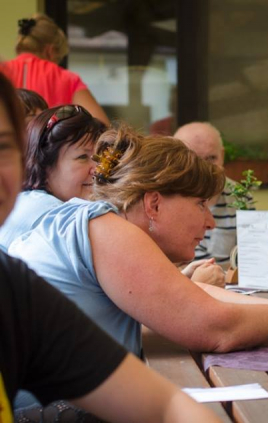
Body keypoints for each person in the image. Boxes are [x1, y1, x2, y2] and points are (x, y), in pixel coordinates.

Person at [8, 125, 268, 359]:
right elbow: (217, 328)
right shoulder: (108, 230)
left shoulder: (98, 223)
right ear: (154, 203)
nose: (210, 221)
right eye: (199, 205)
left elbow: (195, 299)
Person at [0, 70, 223, 423]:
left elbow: (159, 403)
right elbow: (211, 326)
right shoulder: (70, 220)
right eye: (82, 158)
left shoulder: (16, 284)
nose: (97, 171)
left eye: (5, 148)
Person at [0, 104, 106, 251]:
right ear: (45, 165)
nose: (98, 169)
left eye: (100, 157)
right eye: (82, 157)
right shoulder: (55, 217)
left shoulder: (26, 200)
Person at [174, 121, 268, 263]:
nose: (206, 168)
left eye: (212, 158)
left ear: (222, 155)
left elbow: (253, 252)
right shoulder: (169, 199)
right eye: (196, 160)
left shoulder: (240, 195)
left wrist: (267, 249)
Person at [1, 15, 110, 125]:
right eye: (58, 58)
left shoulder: (2, 72)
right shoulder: (68, 78)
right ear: (50, 51)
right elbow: (101, 126)